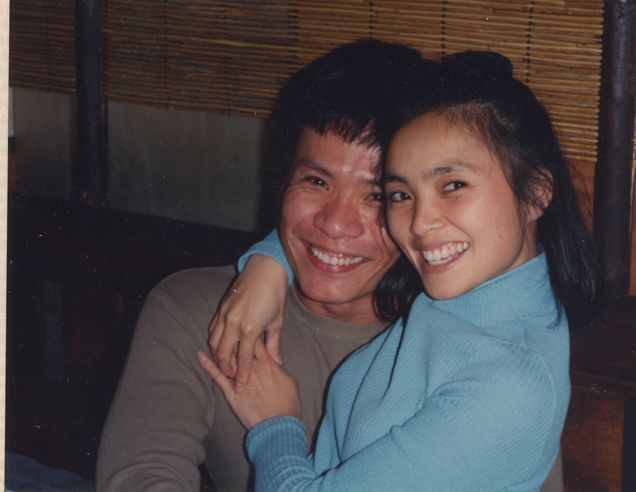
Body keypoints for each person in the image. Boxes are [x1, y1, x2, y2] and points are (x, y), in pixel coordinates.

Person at [201, 50, 599, 491]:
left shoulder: (508, 386)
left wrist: (275, 425)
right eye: (400, 195)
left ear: (537, 193)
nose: (420, 223)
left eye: (453, 185)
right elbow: (330, 228)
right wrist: (268, 263)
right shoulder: (472, 287)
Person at [96, 39, 432, 491]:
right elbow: (142, 475)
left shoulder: (450, 340)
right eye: (316, 181)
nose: (334, 223)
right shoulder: (198, 310)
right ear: (282, 181)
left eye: (375, 195)